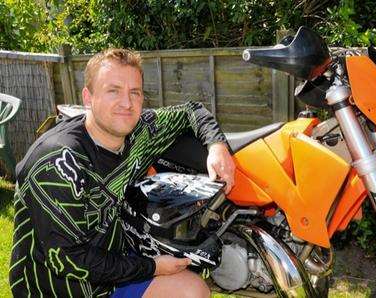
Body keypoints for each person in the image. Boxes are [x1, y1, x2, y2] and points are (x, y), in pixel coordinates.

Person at [9, 48, 235, 298]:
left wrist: (217, 147)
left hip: (111, 276)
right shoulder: (59, 161)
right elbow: (68, 260)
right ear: (88, 97)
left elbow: (192, 112)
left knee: (192, 290)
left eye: (134, 92)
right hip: (58, 288)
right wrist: (153, 267)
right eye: (113, 90)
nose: (127, 103)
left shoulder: (140, 132)